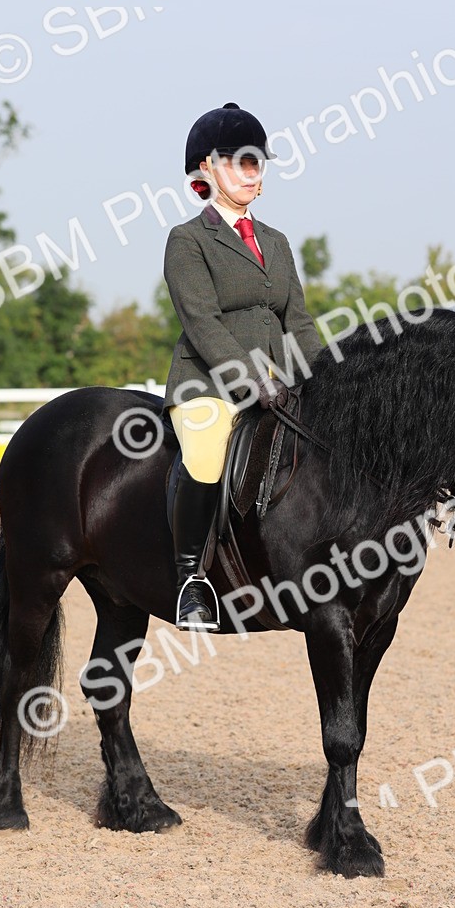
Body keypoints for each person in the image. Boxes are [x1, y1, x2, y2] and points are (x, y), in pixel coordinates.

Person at [163, 102, 323, 631]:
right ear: (207, 168)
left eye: (257, 163)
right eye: (241, 162)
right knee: (207, 454)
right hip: (208, 384)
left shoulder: (275, 242)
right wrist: (251, 379)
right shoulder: (188, 240)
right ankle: (191, 580)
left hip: (279, 383)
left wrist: (326, 377)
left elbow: (297, 321)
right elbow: (202, 322)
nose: (253, 173)